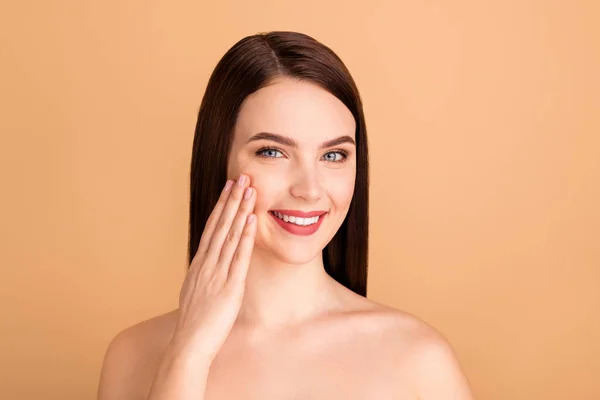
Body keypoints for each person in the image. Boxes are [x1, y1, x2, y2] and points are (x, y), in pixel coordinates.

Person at [97, 31, 473, 400]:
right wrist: (188, 354)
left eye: (334, 155)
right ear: (219, 160)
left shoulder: (418, 359)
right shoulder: (134, 355)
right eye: (273, 152)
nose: (309, 189)